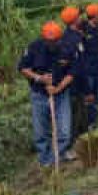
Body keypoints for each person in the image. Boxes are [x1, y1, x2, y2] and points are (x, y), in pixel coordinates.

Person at [18, 22, 76, 167]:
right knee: (40, 132)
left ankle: (55, 157)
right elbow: (23, 68)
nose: (52, 44)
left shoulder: (67, 48)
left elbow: (72, 73)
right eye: (49, 41)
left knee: (64, 132)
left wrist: (58, 88)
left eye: (55, 41)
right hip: (39, 95)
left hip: (61, 94)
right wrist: (39, 78)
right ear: (43, 38)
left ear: (60, 38)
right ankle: (45, 161)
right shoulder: (33, 47)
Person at [58, 6, 88, 143]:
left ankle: (82, 138)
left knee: (81, 113)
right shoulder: (67, 39)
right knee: (74, 115)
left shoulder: (78, 35)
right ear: (74, 20)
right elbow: (67, 64)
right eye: (79, 16)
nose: (82, 18)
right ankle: (71, 143)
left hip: (80, 81)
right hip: (73, 84)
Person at [80, 3, 98, 130]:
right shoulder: (83, 30)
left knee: (96, 95)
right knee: (88, 97)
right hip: (87, 69)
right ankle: (88, 124)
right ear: (94, 16)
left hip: (97, 67)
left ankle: (94, 122)